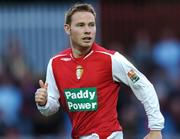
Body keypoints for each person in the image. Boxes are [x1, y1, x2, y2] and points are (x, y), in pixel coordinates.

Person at [35, 3, 164, 139]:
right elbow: (51, 108)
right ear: (68, 29)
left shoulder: (111, 59)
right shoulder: (56, 63)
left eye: (91, 25)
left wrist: (156, 128)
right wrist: (43, 103)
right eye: (81, 25)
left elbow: (144, 86)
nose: (87, 30)